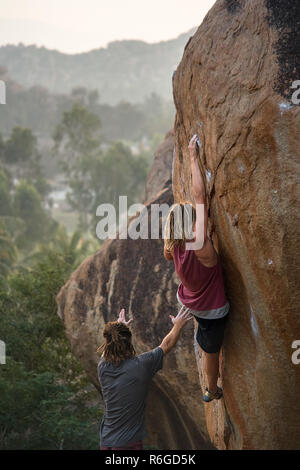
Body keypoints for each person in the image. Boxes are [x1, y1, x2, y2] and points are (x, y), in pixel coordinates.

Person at [163, 134, 230, 403]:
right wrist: (193, 156)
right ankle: (211, 389)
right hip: (213, 311)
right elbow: (200, 196)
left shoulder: (173, 247)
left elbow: (195, 202)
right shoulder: (199, 244)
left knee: (204, 334)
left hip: (191, 302)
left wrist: (192, 157)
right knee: (211, 351)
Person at [97, 305, 192, 450]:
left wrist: (119, 328)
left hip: (106, 442)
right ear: (129, 341)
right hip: (128, 444)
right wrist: (178, 325)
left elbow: (107, 348)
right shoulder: (140, 365)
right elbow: (166, 345)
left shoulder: (102, 367)